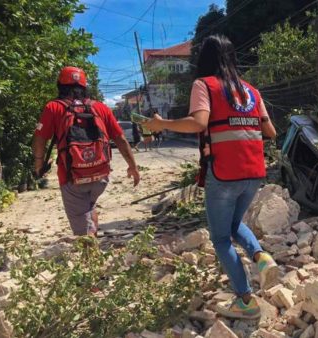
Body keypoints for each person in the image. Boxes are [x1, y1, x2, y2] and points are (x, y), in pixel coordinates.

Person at [143, 35, 279, 320]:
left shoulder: (203, 85)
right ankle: (260, 256)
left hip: (224, 173)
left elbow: (198, 123)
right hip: (254, 173)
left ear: (204, 59)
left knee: (220, 238)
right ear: (232, 58)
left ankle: (245, 301)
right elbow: (271, 132)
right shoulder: (252, 91)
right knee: (233, 224)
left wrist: (160, 124)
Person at [33, 66, 140, 237]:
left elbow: (40, 139)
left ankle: (90, 257)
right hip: (100, 175)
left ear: (60, 85)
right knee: (89, 206)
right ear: (84, 87)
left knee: (82, 229)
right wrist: (133, 167)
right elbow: (120, 139)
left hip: (71, 177)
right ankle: (93, 240)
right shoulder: (101, 107)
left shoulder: (53, 107)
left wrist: (39, 164)